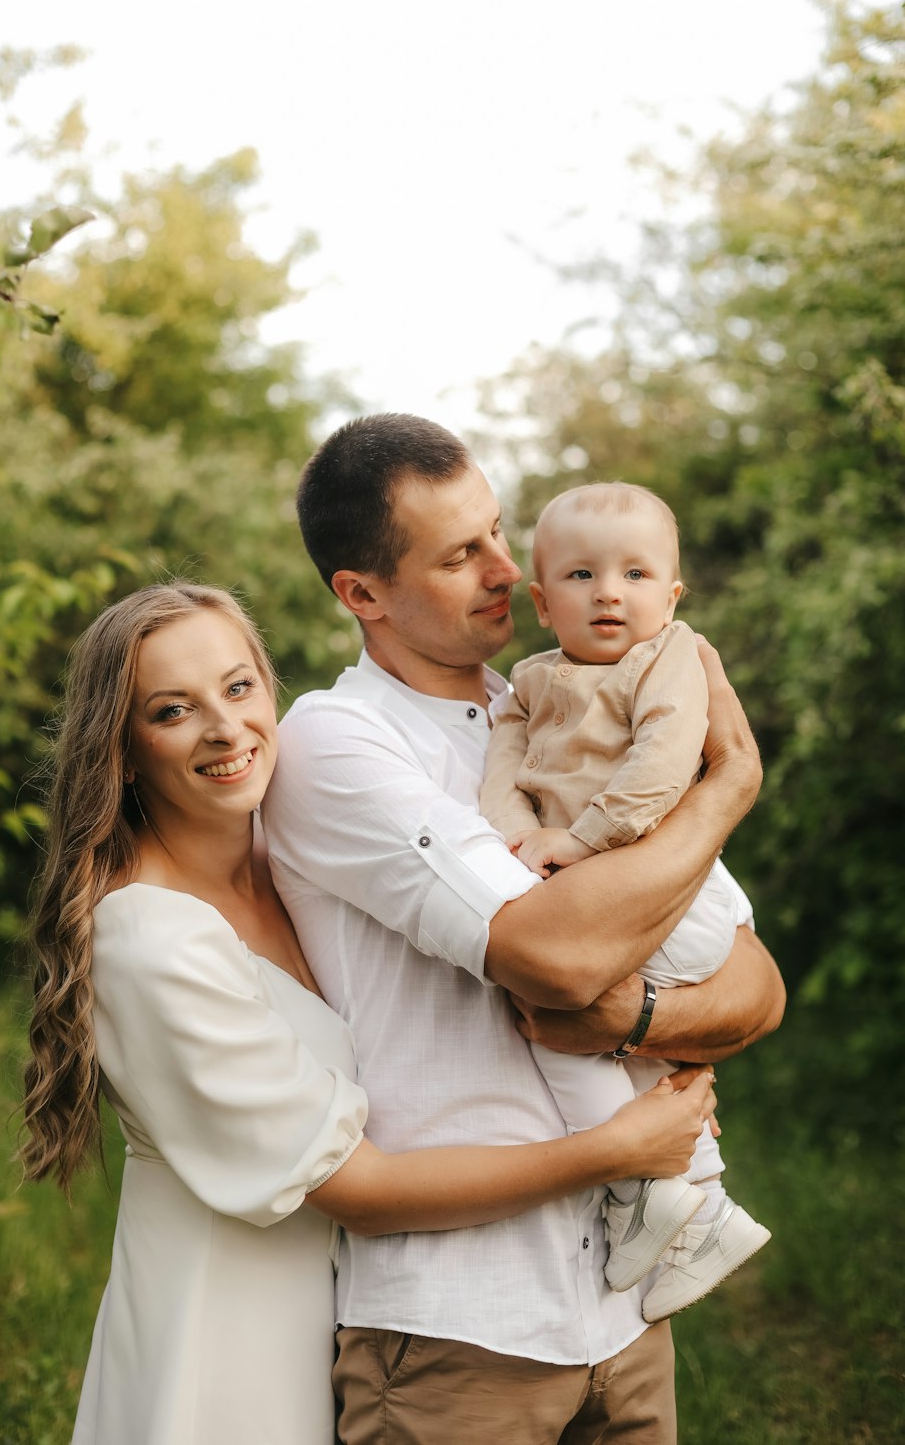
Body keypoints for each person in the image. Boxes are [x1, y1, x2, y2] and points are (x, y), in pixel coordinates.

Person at [18, 580, 716, 1445]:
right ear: (122, 748)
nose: (226, 728)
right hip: (227, 1328)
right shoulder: (151, 940)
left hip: (341, 1309)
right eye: (172, 711)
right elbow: (363, 1189)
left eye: (239, 688)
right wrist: (613, 1150)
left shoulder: (286, 854)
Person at [262, 414, 785, 1445]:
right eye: (461, 554)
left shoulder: (561, 704)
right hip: (459, 1331)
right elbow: (554, 957)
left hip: (622, 1315)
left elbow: (753, 980)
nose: (509, 570)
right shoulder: (336, 742)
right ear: (360, 593)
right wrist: (731, 786)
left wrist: (634, 1016)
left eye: (499, 532)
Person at [480, 480, 771, 1323]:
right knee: (568, 1017)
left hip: (672, 888)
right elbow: (504, 773)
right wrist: (517, 844)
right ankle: (698, 1209)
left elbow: (666, 753)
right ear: (541, 601)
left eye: (637, 574)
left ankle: (649, 1190)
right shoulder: (529, 683)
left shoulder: (669, 655)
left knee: (560, 1002)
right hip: (594, 888)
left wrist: (582, 840)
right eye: (580, 576)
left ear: (671, 595)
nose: (610, 591)